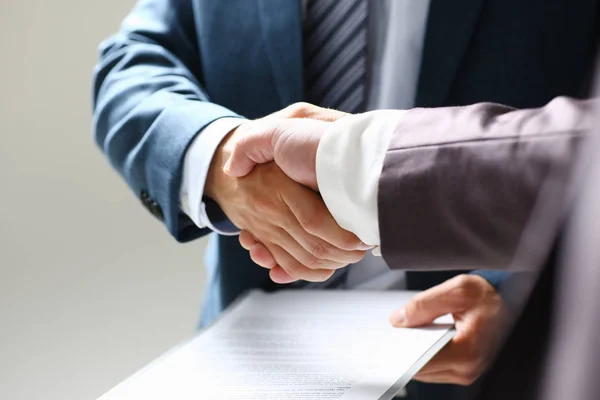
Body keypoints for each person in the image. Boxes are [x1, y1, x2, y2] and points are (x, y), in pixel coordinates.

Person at [92, 1, 599, 397]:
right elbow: (130, 64)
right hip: (250, 362)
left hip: (481, 367)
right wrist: (221, 155)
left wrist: (526, 304)